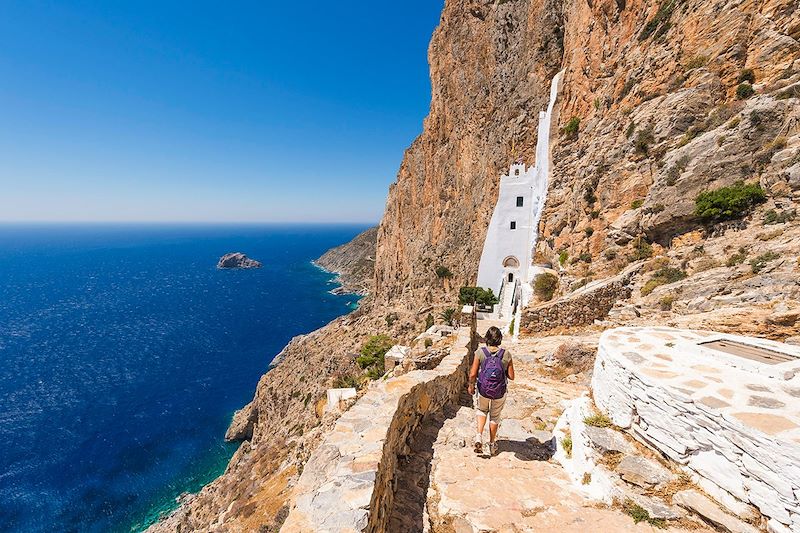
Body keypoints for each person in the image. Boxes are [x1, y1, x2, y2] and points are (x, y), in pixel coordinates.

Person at [467, 326, 514, 456]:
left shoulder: (480, 352)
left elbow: (472, 373)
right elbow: (512, 376)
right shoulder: (506, 354)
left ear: (486, 338)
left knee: (482, 410)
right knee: (495, 416)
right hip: (499, 391)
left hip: (483, 390)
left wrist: (471, 385)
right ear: (500, 339)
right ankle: (492, 444)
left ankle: (478, 436)